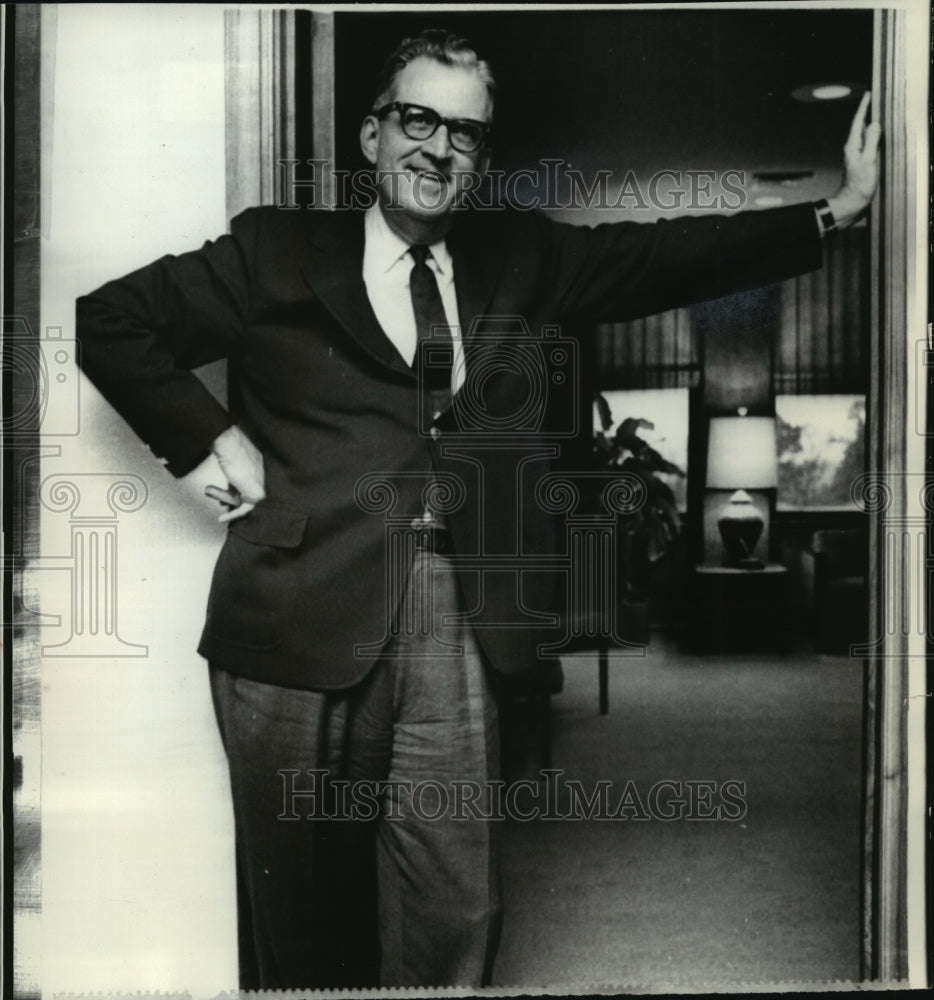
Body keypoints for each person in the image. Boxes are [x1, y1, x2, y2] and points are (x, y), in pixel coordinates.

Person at [75, 28, 880, 991]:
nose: (438, 148)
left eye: (465, 132)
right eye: (418, 120)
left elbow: (661, 256)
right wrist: (213, 438)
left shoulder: (521, 257)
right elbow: (107, 320)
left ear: (481, 155)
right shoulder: (275, 249)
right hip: (293, 613)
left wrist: (834, 211)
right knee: (303, 914)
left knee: (453, 903)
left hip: (455, 612)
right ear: (373, 135)